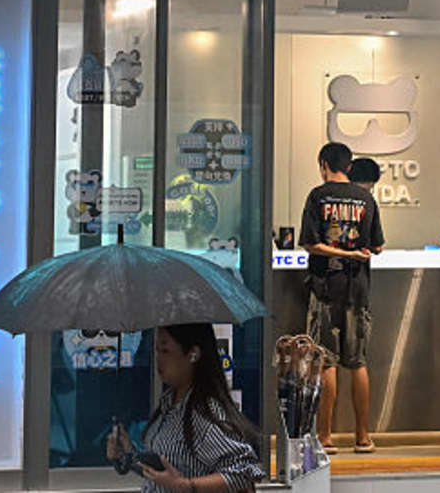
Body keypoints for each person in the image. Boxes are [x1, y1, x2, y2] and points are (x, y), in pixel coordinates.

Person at [104, 323, 263, 492]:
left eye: (165, 351)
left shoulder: (203, 412)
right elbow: (163, 474)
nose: (158, 359)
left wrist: (186, 486)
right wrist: (127, 453)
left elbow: (244, 471)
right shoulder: (168, 405)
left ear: (193, 354)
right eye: (156, 350)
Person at [299, 142, 385, 452]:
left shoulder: (318, 196)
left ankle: (325, 437)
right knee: (358, 363)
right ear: (348, 167)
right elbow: (377, 246)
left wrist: (335, 251)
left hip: (324, 290)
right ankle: (363, 437)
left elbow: (310, 244)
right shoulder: (366, 199)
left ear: (323, 164)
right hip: (357, 291)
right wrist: (355, 253)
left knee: (326, 363)